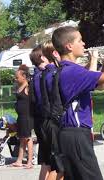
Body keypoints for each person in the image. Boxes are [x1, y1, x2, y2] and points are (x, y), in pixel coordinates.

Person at [50, 26, 104, 180]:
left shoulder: (69, 70)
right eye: (80, 40)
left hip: (71, 135)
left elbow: (101, 85)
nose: (84, 44)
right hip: (76, 135)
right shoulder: (72, 72)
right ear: (69, 46)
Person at [30, 42, 62, 180]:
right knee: (59, 166)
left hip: (40, 121)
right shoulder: (46, 75)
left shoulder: (37, 75)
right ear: (43, 57)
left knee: (46, 164)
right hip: (50, 121)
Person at [9, 64, 34, 168]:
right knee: (22, 138)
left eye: (17, 77)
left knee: (28, 138)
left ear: (24, 77)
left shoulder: (28, 86)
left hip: (27, 116)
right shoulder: (19, 86)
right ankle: (19, 160)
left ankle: (29, 161)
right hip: (21, 116)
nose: (16, 79)